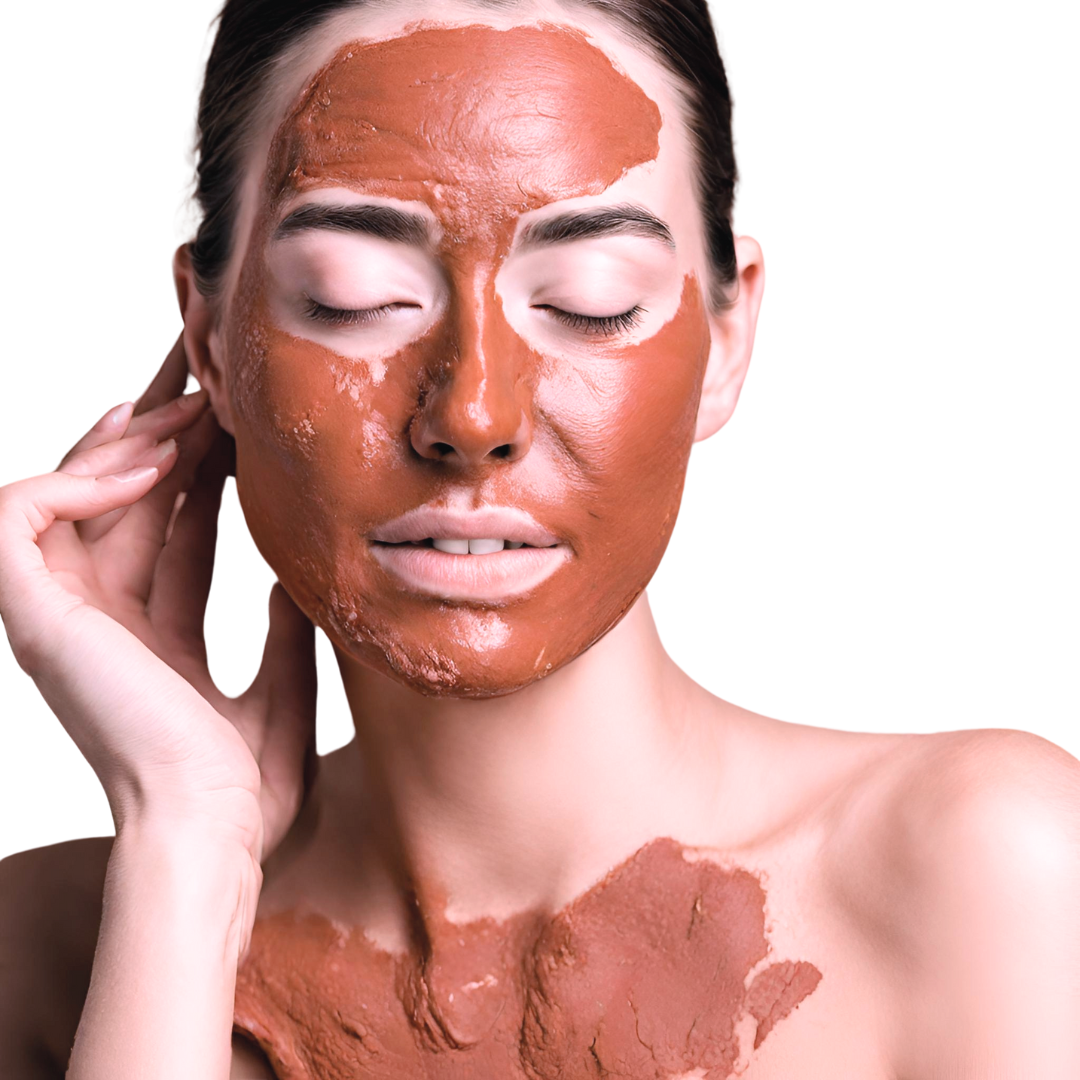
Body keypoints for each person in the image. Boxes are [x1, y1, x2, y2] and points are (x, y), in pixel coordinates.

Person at [0, 0, 1077, 1077]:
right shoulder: (63, 944)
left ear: (727, 335)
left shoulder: (988, 872)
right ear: (212, 341)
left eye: (591, 302)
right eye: (356, 297)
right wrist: (187, 843)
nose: (473, 417)